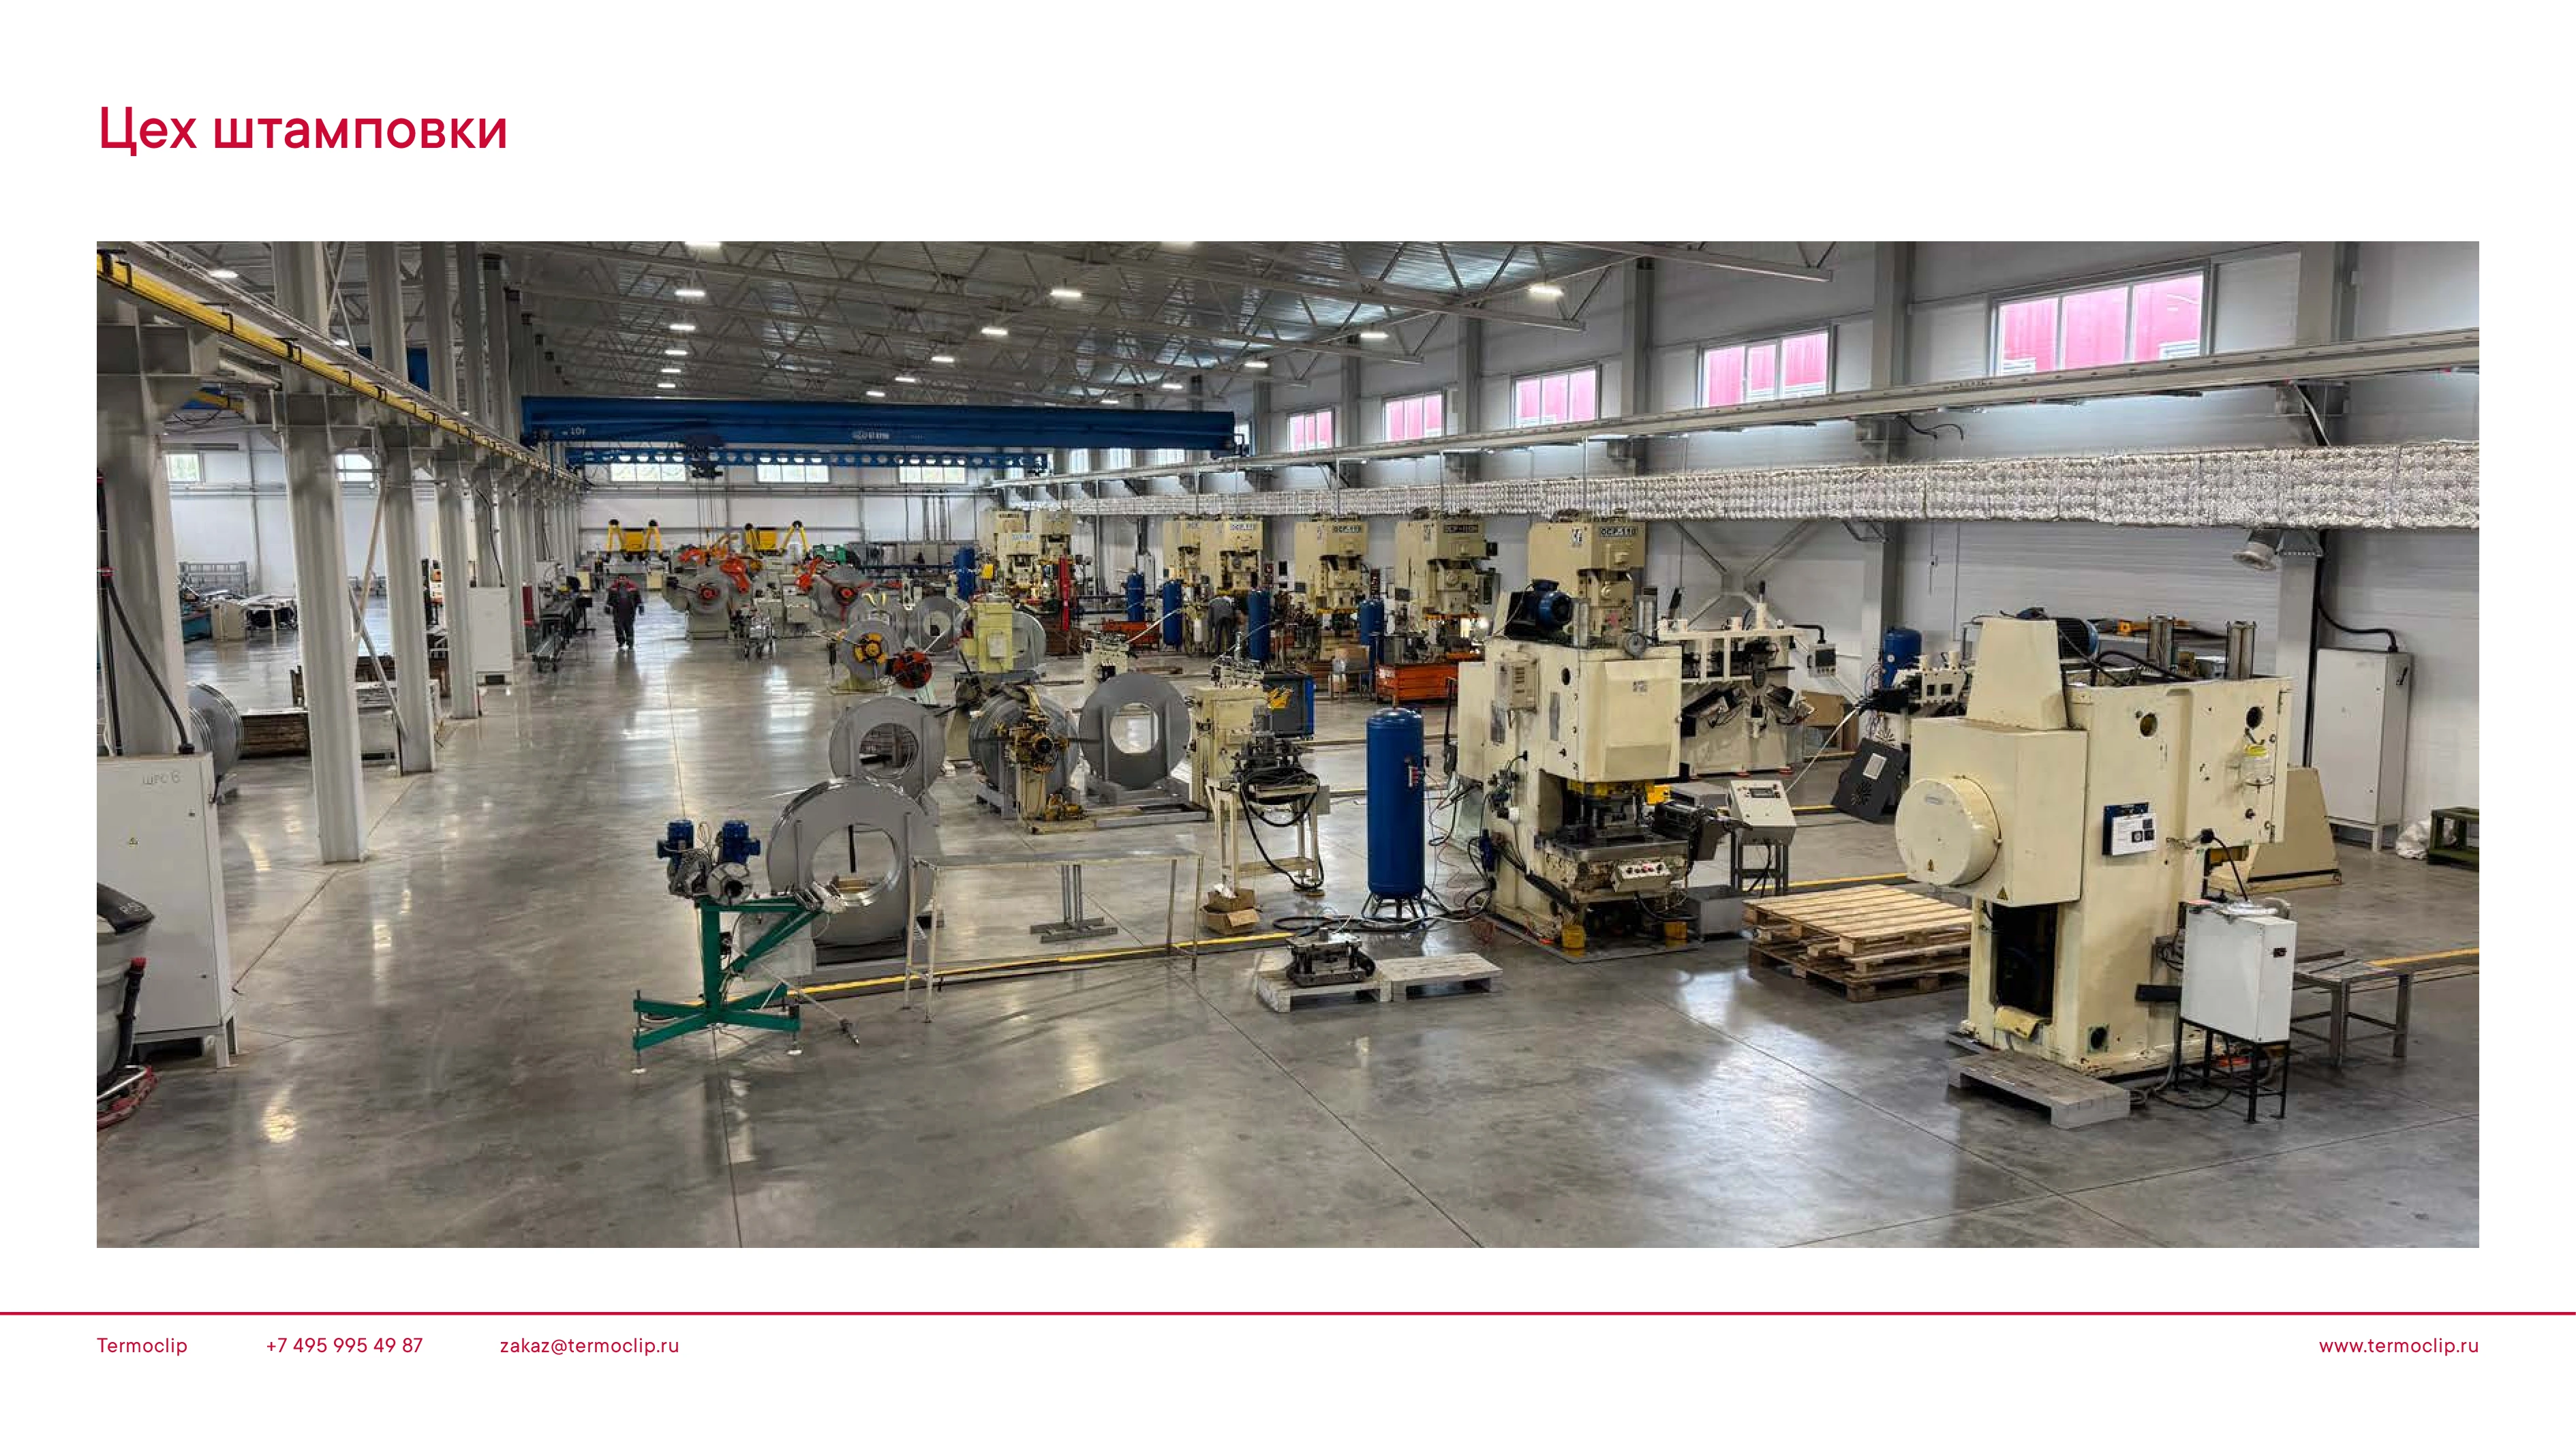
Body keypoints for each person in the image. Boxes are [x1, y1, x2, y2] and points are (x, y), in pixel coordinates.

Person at [606, 576, 643, 650]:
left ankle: (630, 643)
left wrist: (641, 607)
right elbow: (610, 599)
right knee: (618, 627)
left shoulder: (633, 587)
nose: (622, 580)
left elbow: (638, 599)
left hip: (629, 612)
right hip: (617, 612)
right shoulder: (613, 588)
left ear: (627, 579)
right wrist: (607, 607)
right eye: (620, 579)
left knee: (629, 628)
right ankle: (620, 642)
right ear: (618, 580)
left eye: (624, 579)